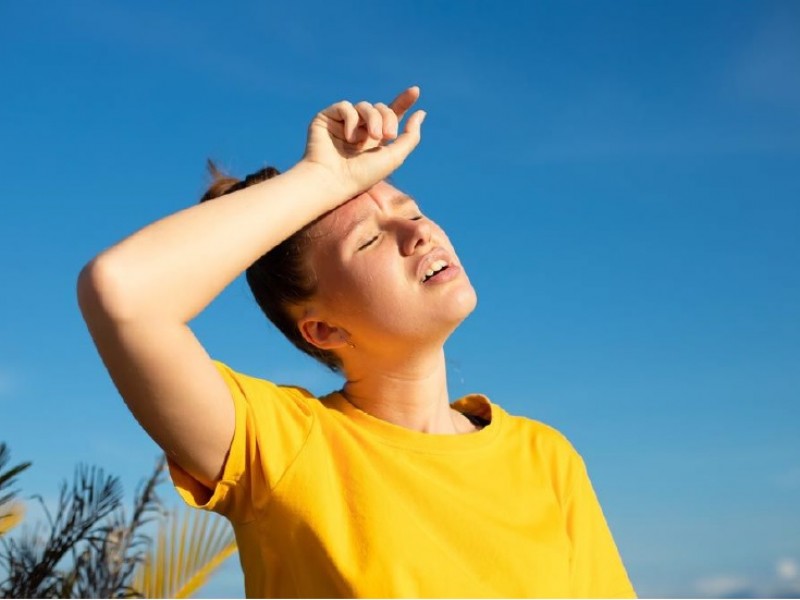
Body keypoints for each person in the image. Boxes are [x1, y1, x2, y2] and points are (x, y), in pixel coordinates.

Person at [77, 86, 636, 598]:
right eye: (369, 241)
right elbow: (122, 292)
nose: (419, 232)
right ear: (324, 329)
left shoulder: (545, 458)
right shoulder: (281, 449)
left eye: (411, 211)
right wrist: (319, 181)